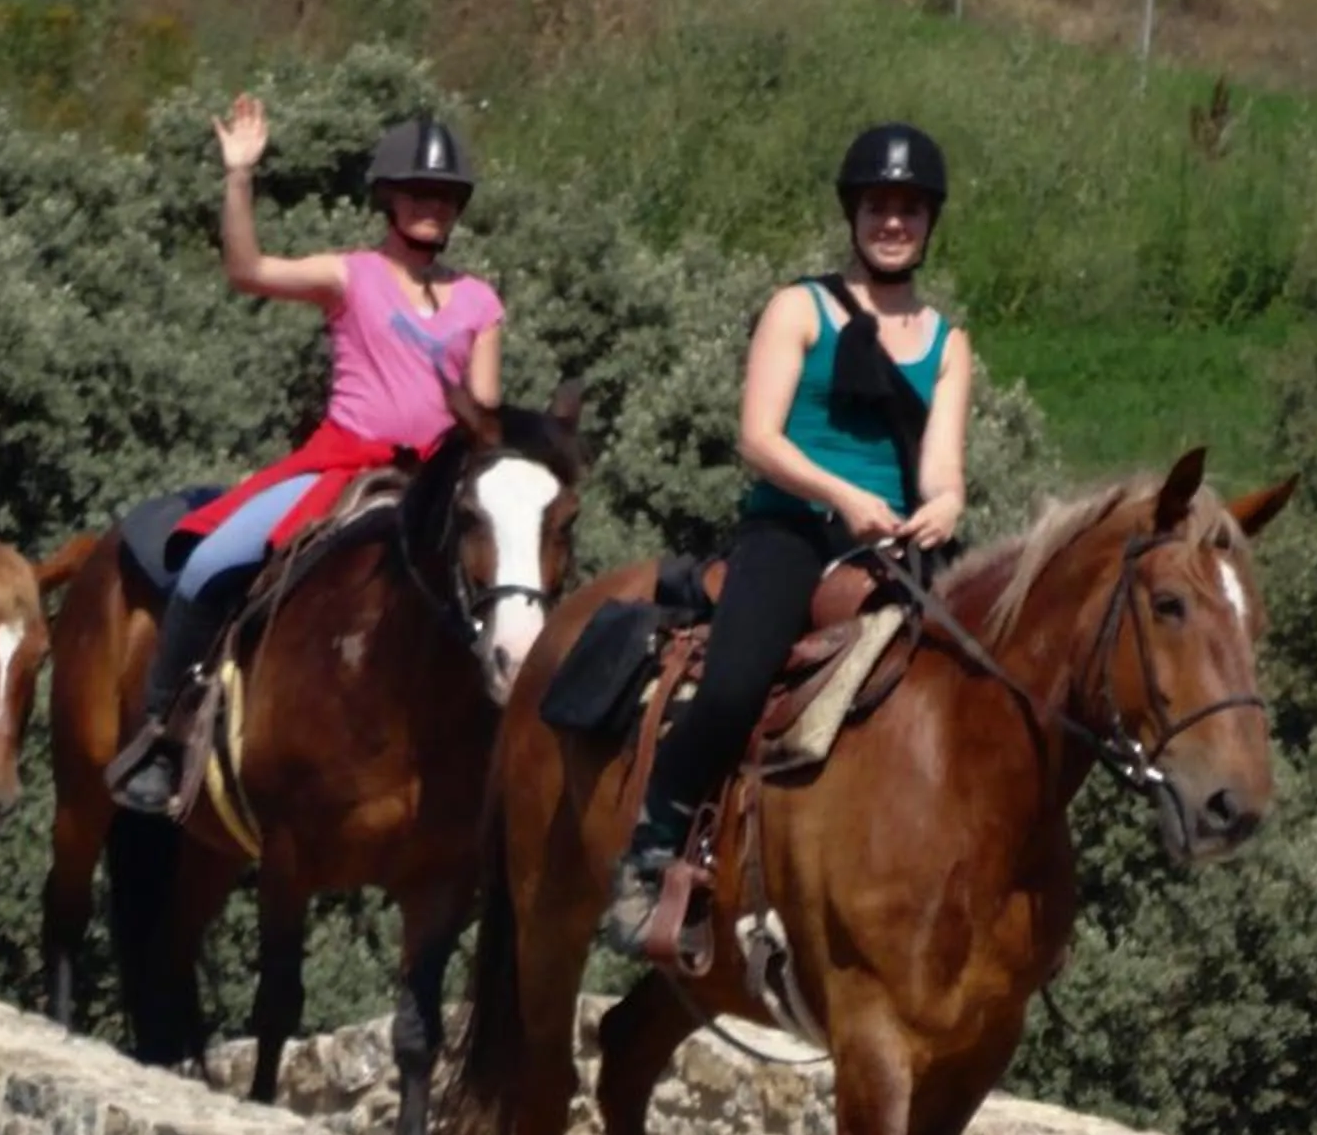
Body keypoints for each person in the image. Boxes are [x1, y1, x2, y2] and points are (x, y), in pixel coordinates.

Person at [600, 122, 976, 955]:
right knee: (735, 689)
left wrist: (944, 505)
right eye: (878, 206)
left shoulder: (949, 344)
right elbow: (760, 439)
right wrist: (843, 495)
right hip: (793, 531)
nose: (892, 223)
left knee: (974, 688)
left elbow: (943, 468)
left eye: (909, 209)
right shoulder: (796, 308)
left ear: (929, 222)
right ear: (854, 213)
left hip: (892, 549)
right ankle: (651, 845)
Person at [105, 97, 506, 816]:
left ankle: (501, 744)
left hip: (433, 485)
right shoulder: (350, 275)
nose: (432, 207)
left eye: (445, 197)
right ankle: (161, 734)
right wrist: (238, 178)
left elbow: (484, 416)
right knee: (207, 565)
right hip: (343, 469)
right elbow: (248, 269)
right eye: (418, 193)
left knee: (508, 586)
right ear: (388, 198)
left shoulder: (479, 301)